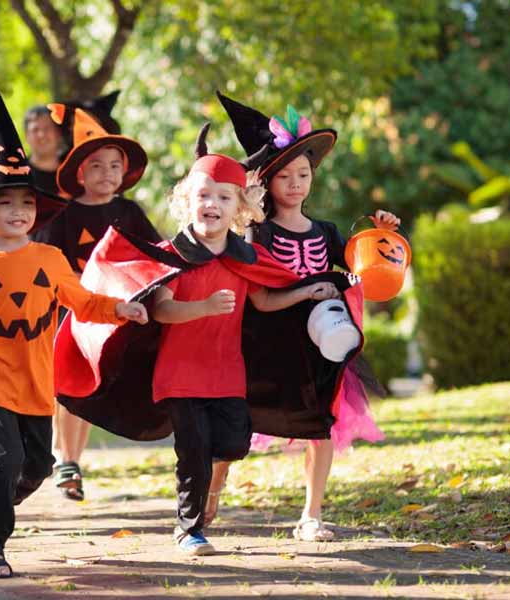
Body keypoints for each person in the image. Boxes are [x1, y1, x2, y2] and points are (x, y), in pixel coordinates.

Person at [0, 92, 148, 579]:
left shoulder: (49, 260)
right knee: (6, 455)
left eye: (25, 202)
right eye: (4, 203)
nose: (17, 211)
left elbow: (82, 303)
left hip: (40, 384)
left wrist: (121, 309)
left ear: (37, 212)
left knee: (36, 466)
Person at [207, 92, 397, 541]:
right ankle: (211, 488)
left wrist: (381, 233)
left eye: (304, 174)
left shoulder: (327, 232)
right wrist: (303, 289)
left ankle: (311, 513)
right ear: (267, 182)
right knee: (238, 423)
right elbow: (254, 291)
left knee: (322, 423)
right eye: (285, 176)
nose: (296, 183)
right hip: (266, 343)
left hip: (320, 346)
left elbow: (363, 269)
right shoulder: (258, 232)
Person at [150, 151, 339, 555]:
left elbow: (266, 301)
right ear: (187, 202)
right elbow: (162, 309)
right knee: (195, 452)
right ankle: (189, 528)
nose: (211, 205)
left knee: (235, 444)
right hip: (180, 375)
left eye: (223, 198)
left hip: (226, 374)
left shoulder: (244, 257)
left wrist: (307, 290)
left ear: (240, 208)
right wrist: (201, 309)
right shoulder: (174, 254)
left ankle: (204, 494)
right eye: (203, 196)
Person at [34, 106, 160, 501]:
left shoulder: (129, 212)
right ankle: (65, 457)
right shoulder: (65, 214)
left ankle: (70, 457)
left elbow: (153, 254)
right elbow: (47, 260)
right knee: (70, 383)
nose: (106, 174)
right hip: (72, 311)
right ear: (80, 173)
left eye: (114, 166)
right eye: (97, 165)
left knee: (89, 387)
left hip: (114, 313)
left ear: (124, 174)